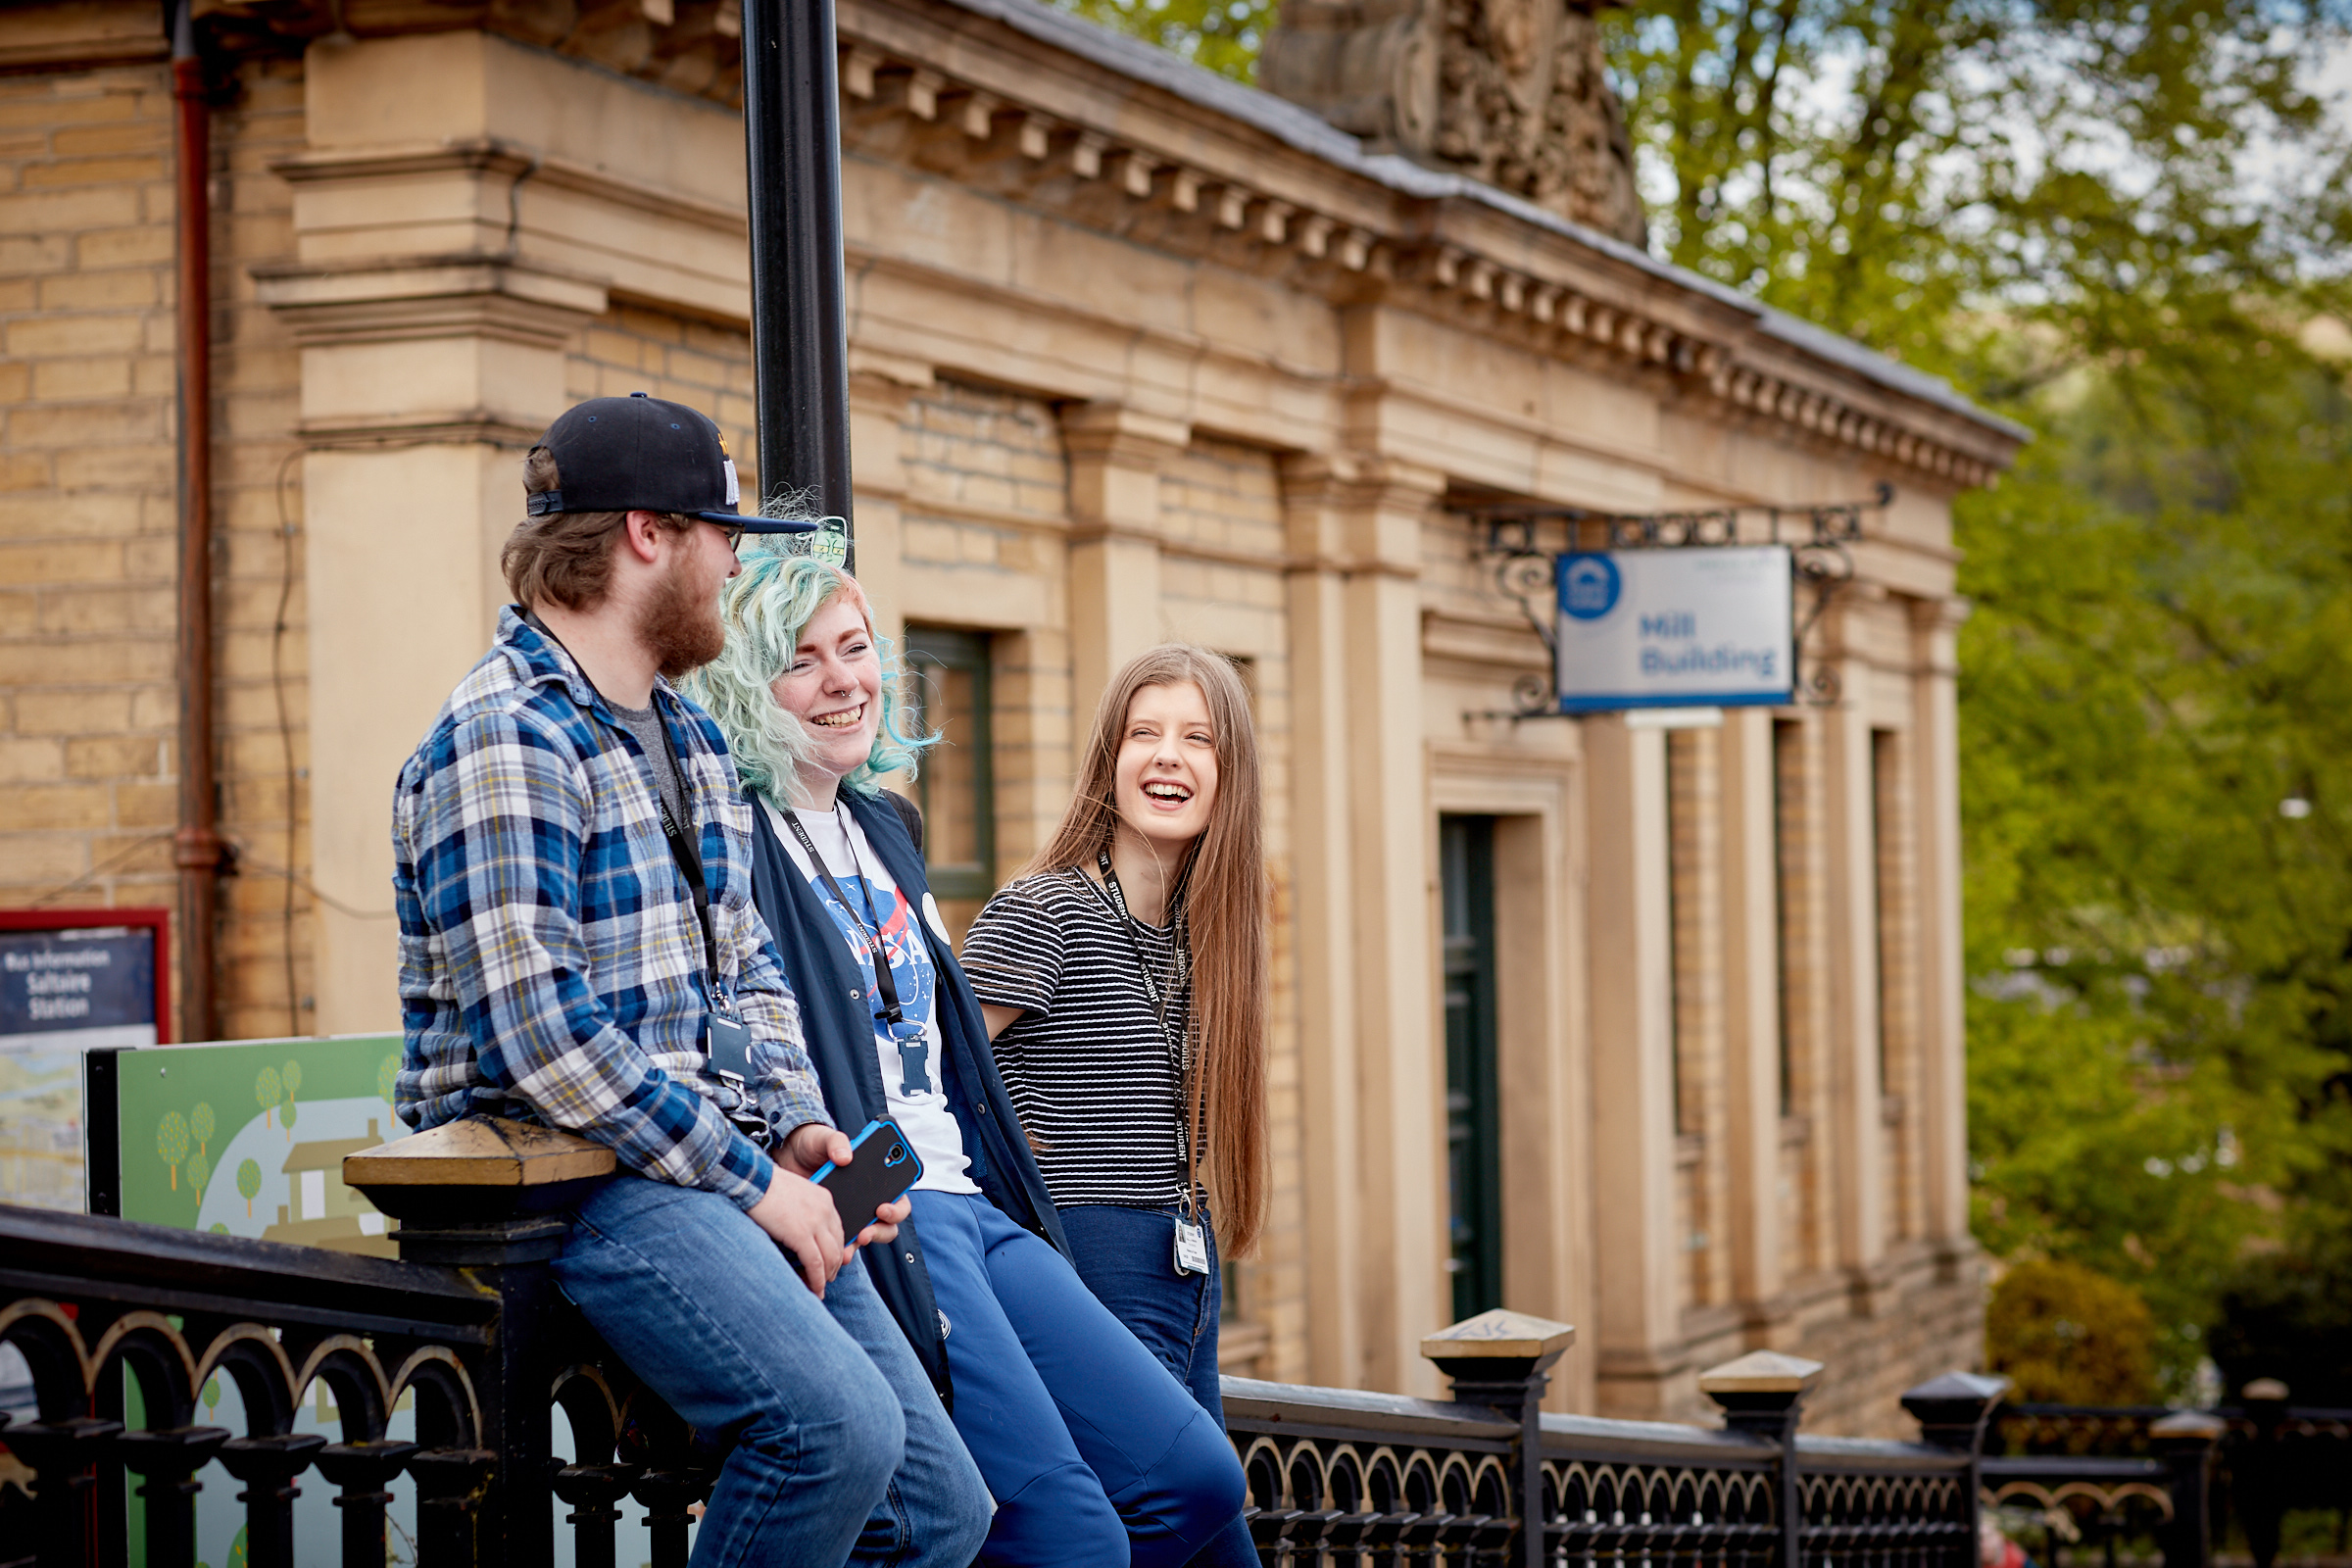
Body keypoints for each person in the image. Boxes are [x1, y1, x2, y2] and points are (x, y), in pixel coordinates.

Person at [391, 393, 990, 1568]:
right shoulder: (505, 735)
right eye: (719, 532)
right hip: (583, 1181)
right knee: (831, 1432)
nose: (731, 562)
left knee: (943, 1512)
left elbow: (748, 968)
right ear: (645, 537)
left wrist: (805, 1131)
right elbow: (540, 1035)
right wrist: (754, 1182)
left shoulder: (688, 735)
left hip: (719, 1165)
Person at [687, 548, 1249, 1568]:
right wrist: (837, 1205)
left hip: (973, 1196)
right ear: (743, 680)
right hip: (879, 1195)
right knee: (1068, 1536)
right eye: (799, 660)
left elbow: (940, 1055)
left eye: (854, 649)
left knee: (1197, 1479)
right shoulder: (733, 834)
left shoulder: (883, 825)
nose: (841, 679)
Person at [958, 645, 1268, 1568]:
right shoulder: (1043, 910)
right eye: (1145, 733)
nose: (1168, 756)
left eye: (1197, 739)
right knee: (1147, 1528)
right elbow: (925, 1077)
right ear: (1110, 759)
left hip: (1186, 1271)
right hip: (1084, 1264)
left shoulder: (1201, 937)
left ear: (1229, 775)